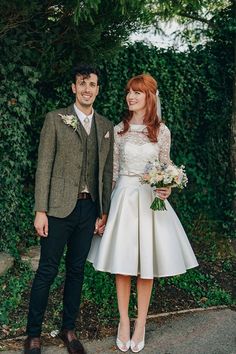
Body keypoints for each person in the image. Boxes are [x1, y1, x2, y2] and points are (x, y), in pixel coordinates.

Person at [88, 74, 198, 353]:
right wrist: (104, 212)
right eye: (129, 92)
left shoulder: (162, 132)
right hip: (123, 197)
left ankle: (141, 323)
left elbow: (166, 167)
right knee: (123, 266)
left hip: (149, 201)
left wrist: (168, 188)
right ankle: (123, 321)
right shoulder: (118, 130)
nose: (131, 97)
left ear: (150, 97)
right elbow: (111, 174)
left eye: (137, 92)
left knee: (145, 266)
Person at [24, 64, 114, 354]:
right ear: (74, 88)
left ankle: (68, 329)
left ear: (98, 89)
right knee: (47, 271)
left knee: (76, 271)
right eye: (82, 83)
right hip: (58, 209)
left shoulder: (106, 126)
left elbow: (106, 172)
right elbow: (44, 167)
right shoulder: (55, 120)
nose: (88, 89)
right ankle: (33, 334)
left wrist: (104, 211)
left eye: (93, 84)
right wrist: (41, 209)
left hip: (89, 211)